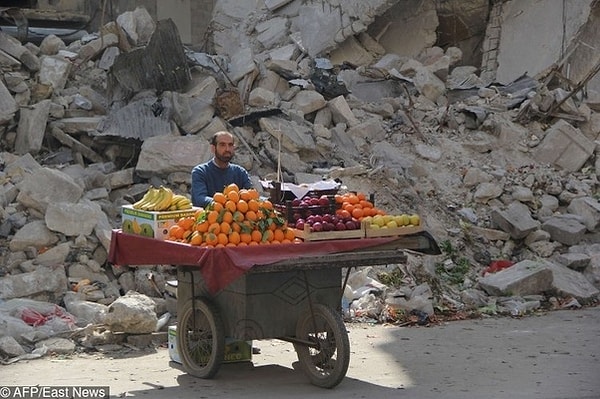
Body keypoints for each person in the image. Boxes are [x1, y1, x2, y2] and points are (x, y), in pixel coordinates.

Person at [191, 131, 253, 208]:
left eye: (230, 145)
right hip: (209, 218)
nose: (227, 149)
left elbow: (251, 196)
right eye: (222, 145)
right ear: (213, 148)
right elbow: (200, 199)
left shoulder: (240, 172)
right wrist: (226, 203)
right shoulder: (200, 171)